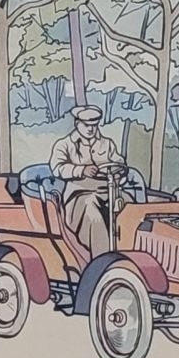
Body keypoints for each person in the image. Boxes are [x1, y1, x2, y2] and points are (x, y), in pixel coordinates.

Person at [49, 105, 127, 261]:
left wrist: (118, 173)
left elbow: (118, 162)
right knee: (92, 210)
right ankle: (103, 260)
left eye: (94, 125)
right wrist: (81, 170)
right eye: (86, 125)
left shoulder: (107, 144)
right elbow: (57, 168)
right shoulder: (65, 145)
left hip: (108, 190)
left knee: (129, 206)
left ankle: (128, 254)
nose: (91, 129)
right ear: (77, 123)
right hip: (79, 194)